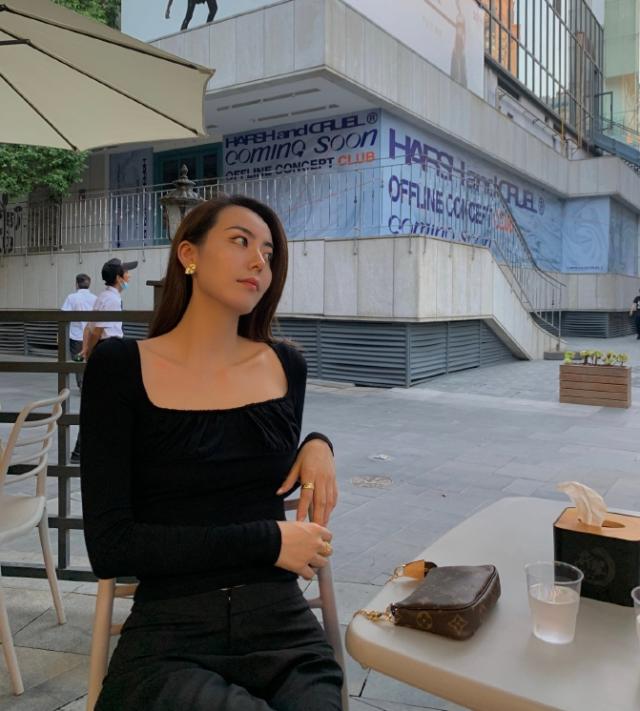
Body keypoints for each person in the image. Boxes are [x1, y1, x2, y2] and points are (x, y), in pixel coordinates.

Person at [80, 196, 342, 710]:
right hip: (172, 632)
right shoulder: (119, 367)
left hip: (281, 627)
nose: (259, 261)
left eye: (269, 252)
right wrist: (267, 540)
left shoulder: (286, 366)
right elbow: (111, 547)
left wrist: (317, 443)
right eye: (241, 241)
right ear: (189, 255)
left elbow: (252, 462)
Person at [70, 258, 137, 463]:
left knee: (100, 401)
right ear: (118, 277)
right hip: (109, 350)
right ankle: (88, 450)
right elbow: (98, 330)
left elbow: (89, 327)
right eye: (126, 273)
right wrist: (90, 352)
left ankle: (82, 450)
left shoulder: (103, 296)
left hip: (105, 349)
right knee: (111, 401)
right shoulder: (112, 300)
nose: (129, 276)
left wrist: (86, 349)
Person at [61, 273, 96, 388]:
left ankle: (81, 384)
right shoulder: (95, 298)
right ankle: (91, 384)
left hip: (76, 336)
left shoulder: (71, 297)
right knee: (91, 360)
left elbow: (63, 314)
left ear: (76, 284)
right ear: (89, 284)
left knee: (78, 360)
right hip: (92, 335)